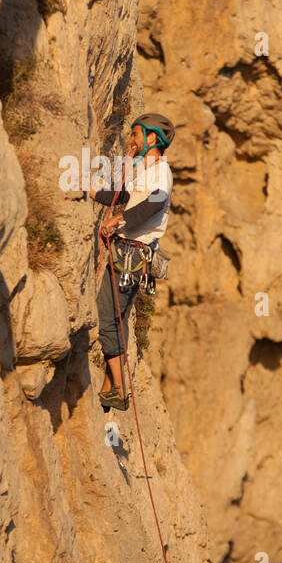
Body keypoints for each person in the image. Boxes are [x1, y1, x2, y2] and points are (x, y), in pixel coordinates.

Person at [90, 113, 175, 411]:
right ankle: (110, 386)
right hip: (129, 252)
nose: (132, 139)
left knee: (107, 315)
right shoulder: (146, 171)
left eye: (137, 134)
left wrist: (119, 219)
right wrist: (94, 193)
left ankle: (119, 388)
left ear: (152, 138)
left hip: (132, 254)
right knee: (118, 316)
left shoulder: (162, 172)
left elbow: (154, 204)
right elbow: (126, 194)